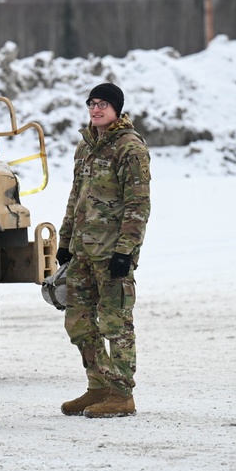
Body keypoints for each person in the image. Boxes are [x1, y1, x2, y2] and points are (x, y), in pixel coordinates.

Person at [56, 82, 151, 418]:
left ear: (116, 109)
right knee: (78, 322)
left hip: (112, 253)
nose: (96, 109)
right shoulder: (86, 147)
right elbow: (75, 197)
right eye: (91, 103)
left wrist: (126, 250)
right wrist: (65, 242)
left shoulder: (130, 148)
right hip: (82, 250)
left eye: (103, 105)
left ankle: (122, 393)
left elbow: (138, 203)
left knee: (115, 322)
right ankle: (98, 386)